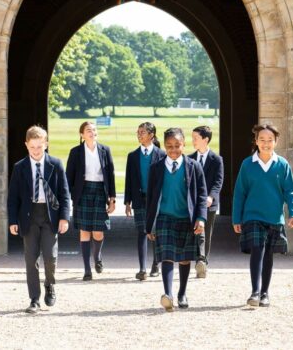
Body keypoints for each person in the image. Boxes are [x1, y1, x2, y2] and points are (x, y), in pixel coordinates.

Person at [232, 124, 293, 307]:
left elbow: (290, 191)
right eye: (262, 139)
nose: (266, 143)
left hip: (274, 217)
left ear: (276, 142)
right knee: (257, 249)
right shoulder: (247, 165)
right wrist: (236, 218)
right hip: (252, 216)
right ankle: (254, 291)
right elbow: (240, 193)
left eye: (270, 140)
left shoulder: (282, 165)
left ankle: (264, 293)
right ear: (256, 141)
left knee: (268, 255)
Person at [7, 126, 71, 314]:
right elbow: (13, 197)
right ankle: (34, 298)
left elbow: (64, 194)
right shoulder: (20, 167)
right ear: (26, 145)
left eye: (40, 146)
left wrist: (64, 218)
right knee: (31, 259)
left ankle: (50, 284)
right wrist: (12, 221)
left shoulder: (56, 164)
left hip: (50, 214)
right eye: (32, 147)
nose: (36, 151)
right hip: (29, 215)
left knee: (50, 257)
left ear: (46, 144)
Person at [146, 128, 207, 312]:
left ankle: (182, 293)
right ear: (164, 146)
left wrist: (201, 218)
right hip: (164, 218)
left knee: (184, 259)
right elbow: (151, 198)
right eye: (169, 146)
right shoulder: (156, 168)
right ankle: (168, 294)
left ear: (184, 144)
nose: (173, 150)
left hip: (186, 219)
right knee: (166, 257)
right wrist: (150, 225)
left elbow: (202, 195)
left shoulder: (194, 166)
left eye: (177, 145)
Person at [66, 121, 116, 281]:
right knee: (85, 230)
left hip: (100, 191)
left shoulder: (105, 150)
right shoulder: (75, 152)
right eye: (88, 130)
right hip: (83, 192)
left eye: (94, 130)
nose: (92, 132)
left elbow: (111, 174)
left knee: (98, 231)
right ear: (82, 134)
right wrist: (70, 197)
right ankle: (87, 269)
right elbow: (69, 177)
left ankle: (98, 256)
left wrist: (112, 198)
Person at [124, 122, 165, 280]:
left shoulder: (161, 154)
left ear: (151, 135)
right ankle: (142, 268)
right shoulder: (132, 156)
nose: (139, 134)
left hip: (156, 199)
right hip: (139, 200)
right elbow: (129, 180)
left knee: (154, 232)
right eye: (138, 132)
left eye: (142, 132)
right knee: (142, 232)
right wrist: (127, 202)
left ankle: (155, 264)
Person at [189, 125, 224, 279]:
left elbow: (218, 181)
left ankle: (202, 261)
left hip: (209, 204)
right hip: (193, 204)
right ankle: (199, 259)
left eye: (195, 138)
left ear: (206, 139)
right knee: (195, 232)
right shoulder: (189, 159)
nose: (193, 141)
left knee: (205, 233)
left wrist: (211, 196)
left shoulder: (216, 160)